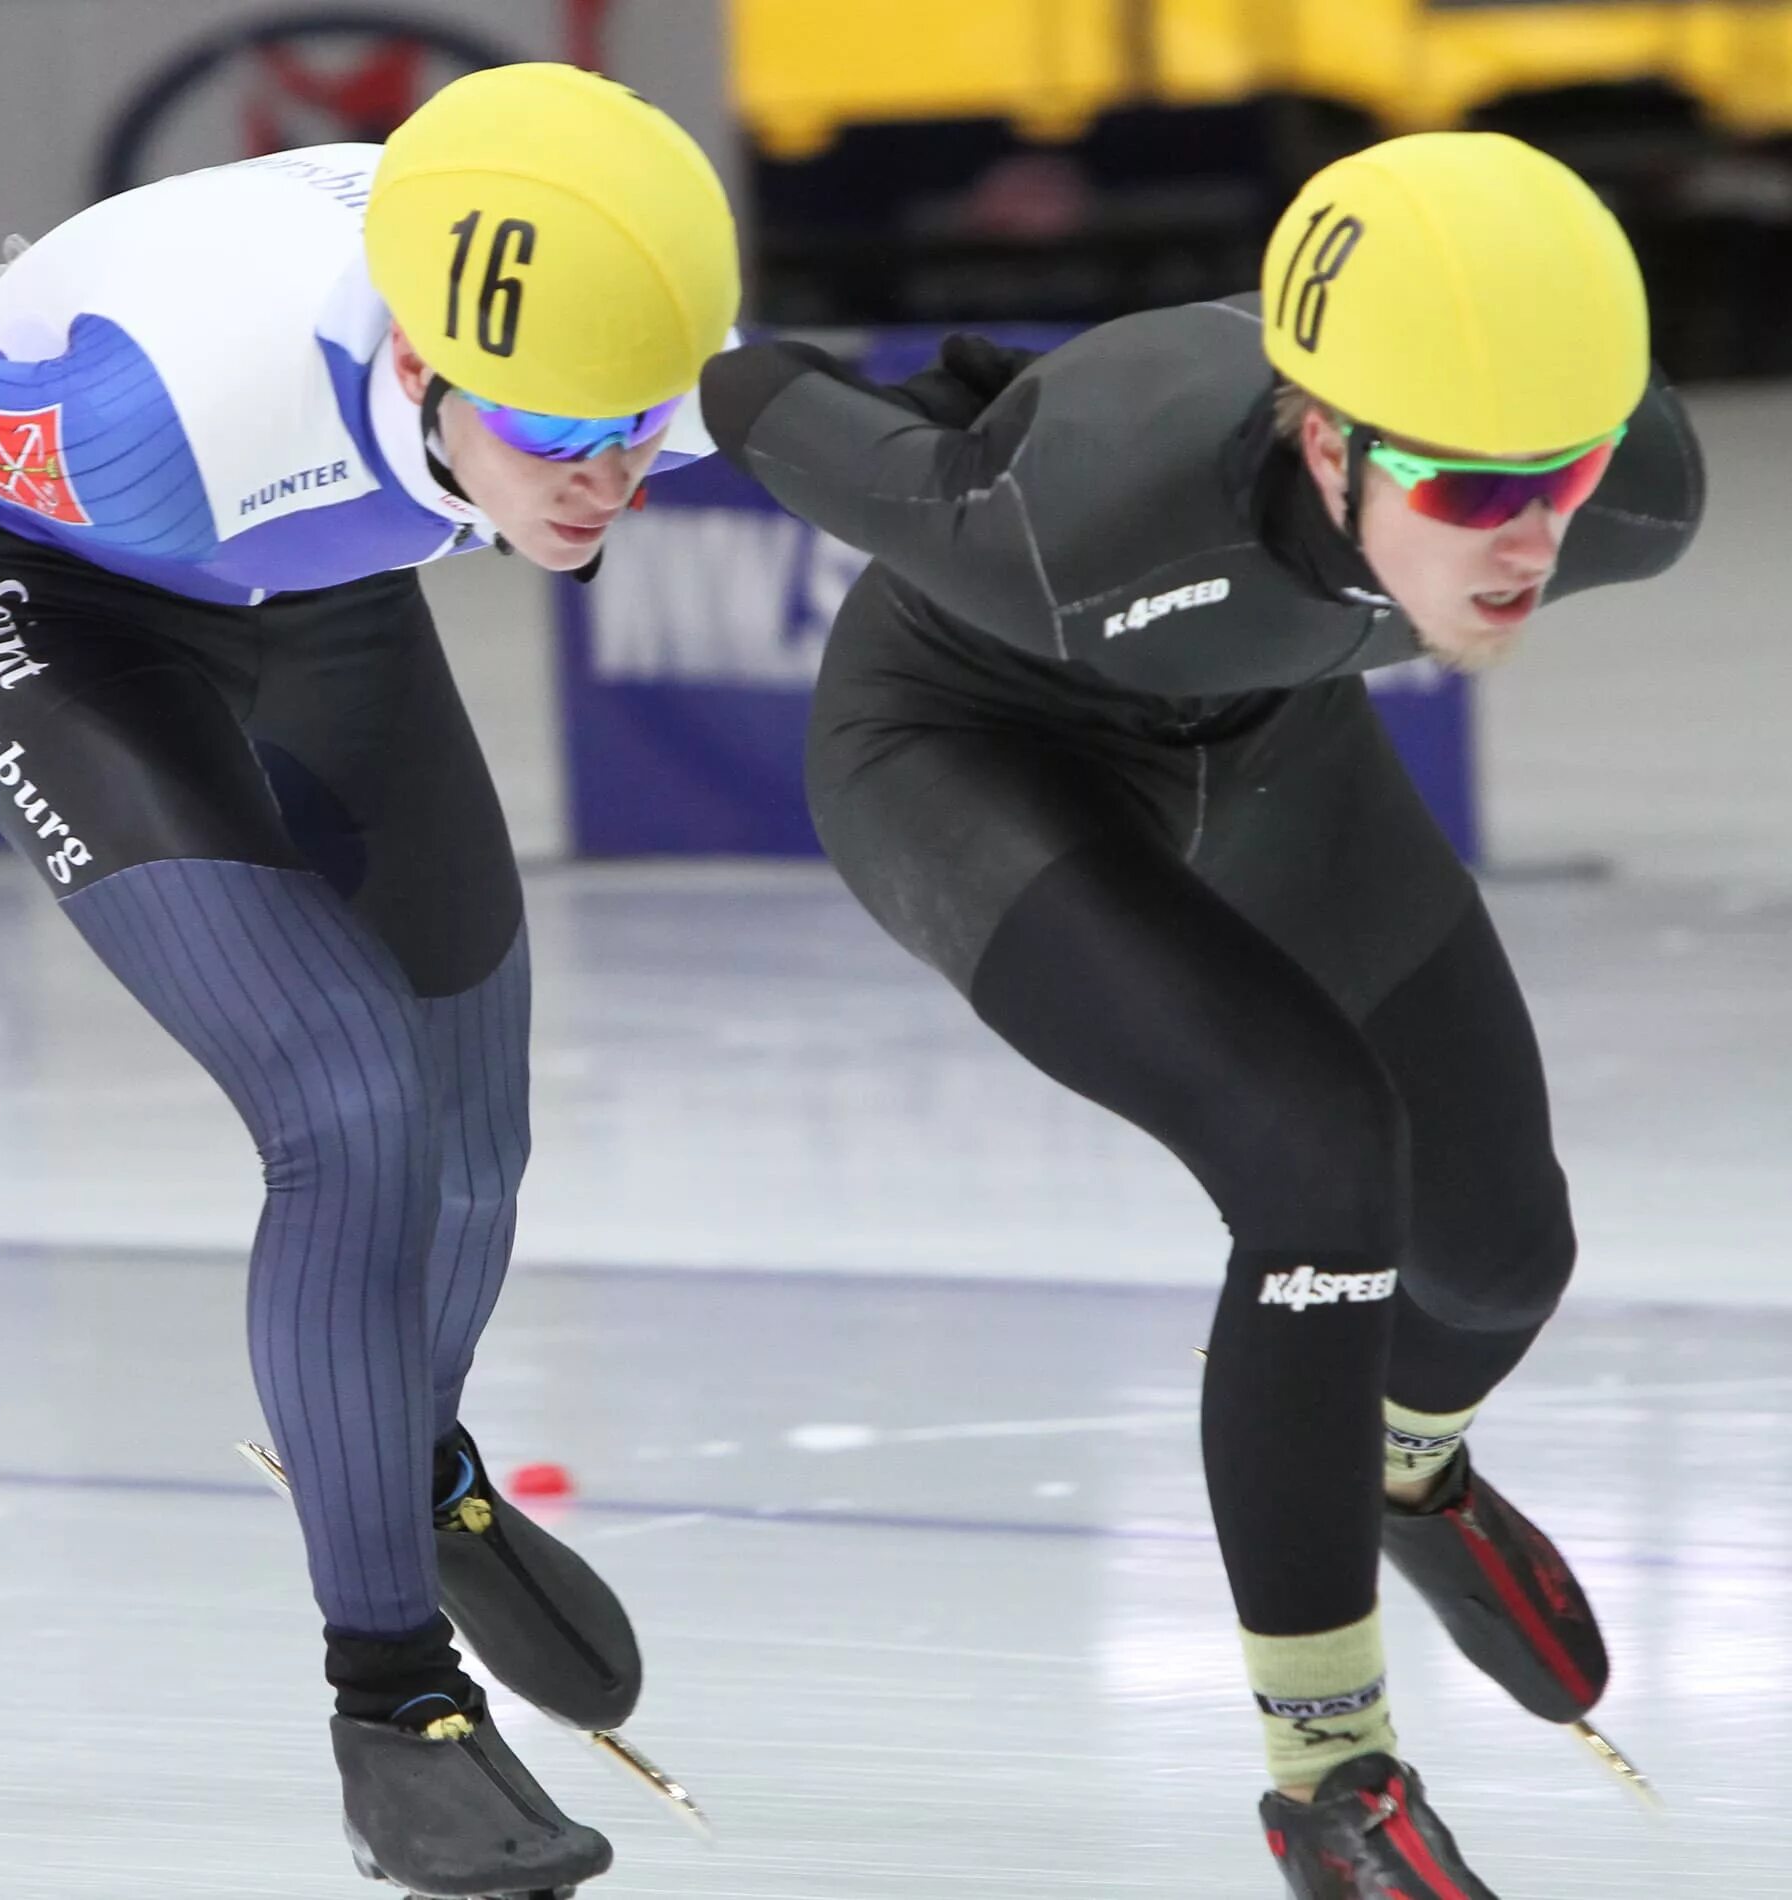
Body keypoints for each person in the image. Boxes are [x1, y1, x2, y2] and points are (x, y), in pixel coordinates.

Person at [699, 132, 1704, 1897]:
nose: (1534, 537)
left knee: (1501, 1254)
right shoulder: (1076, 521)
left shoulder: (1637, 495)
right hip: (975, 747)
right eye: (1470, 495)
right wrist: (725, 372)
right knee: (1322, 1168)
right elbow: (772, 400)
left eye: (1565, 472)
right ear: (1328, 444)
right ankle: (1329, 1775)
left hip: (1270, 737)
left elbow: (1528, 468)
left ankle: (1403, 1478)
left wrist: (1506, 482)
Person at [0, 63, 736, 1898]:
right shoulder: (161, 419)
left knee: (473, 1120)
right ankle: (391, 1702)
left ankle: (408, 1466)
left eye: (639, 428)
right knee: (353, 1107)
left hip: (318, 591)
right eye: (562, 440)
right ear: (430, 377)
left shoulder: (630, 339)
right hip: (48, 584)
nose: (612, 478)